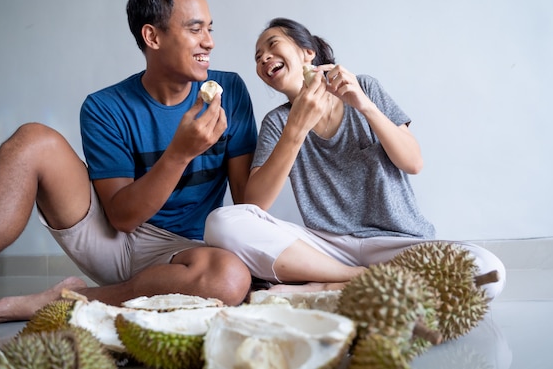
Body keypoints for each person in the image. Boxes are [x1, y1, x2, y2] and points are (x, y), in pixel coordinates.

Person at [0, 0, 258, 324]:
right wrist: (179, 153)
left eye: (210, 29)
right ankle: (132, 295)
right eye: (195, 29)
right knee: (31, 140)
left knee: (230, 278)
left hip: (185, 252)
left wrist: (295, 124)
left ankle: (67, 301)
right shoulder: (105, 107)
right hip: (115, 239)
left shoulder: (230, 92)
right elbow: (122, 218)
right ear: (153, 36)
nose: (209, 42)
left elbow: (248, 205)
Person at [204, 17, 505, 300]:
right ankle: (352, 278)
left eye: (272, 45)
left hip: (396, 241)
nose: (264, 58)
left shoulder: (365, 88)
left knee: (487, 270)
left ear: (307, 53)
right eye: (257, 57)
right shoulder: (276, 122)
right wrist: (296, 127)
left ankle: (327, 288)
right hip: (326, 248)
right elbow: (254, 204)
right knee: (222, 222)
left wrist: (364, 105)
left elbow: (413, 162)